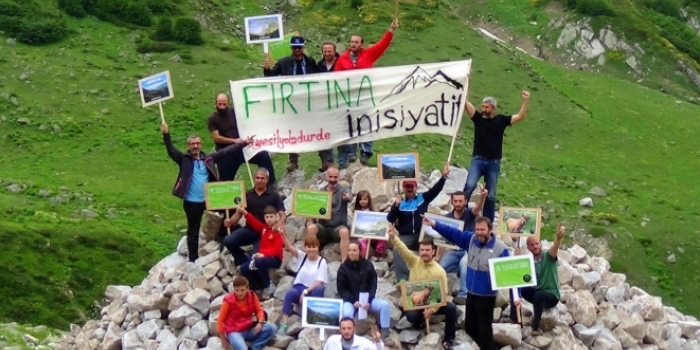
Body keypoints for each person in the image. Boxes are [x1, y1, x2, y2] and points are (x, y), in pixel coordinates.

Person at [161, 122, 252, 262]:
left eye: (198, 143)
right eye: (192, 144)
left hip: (209, 199)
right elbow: (171, 150)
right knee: (193, 231)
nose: (195, 146)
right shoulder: (184, 159)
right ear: (188, 146)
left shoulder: (208, 158)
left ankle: (223, 235)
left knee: (227, 211)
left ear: (201, 145)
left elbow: (225, 152)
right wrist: (166, 134)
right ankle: (193, 259)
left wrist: (244, 143)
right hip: (191, 202)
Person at [422, 215, 509, 350]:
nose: (479, 233)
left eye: (482, 230)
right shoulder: (471, 239)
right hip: (471, 294)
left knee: (485, 333)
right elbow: (452, 233)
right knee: (469, 328)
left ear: (490, 229)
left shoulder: (501, 249)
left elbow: (509, 275)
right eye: (477, 229)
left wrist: (517, 297)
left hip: (486, 297)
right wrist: (434, 224)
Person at [334, 19, 399, 167]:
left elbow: (382, 45)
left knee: (366, 123)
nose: (353, 44)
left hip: (365, 97)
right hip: (349, 98)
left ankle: (365, 152)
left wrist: (391, 30)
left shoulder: (368, 54)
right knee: (350, 123)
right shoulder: (342, 58)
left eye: (356, 42)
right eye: (351, 42)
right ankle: (351, 152)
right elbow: (336, 76)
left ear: (361, 44)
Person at [462, 90, 531, 222]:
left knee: (491, 194)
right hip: (478, 160)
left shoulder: (501, 120)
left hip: (493, 163)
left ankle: (487, 222)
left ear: (493, 108)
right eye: (482, 106)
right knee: (469, 185)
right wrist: (468, 83)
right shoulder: (478, 119)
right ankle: (461, 214)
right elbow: (465, 103)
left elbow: (520, 116)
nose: (483, 109)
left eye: (486, 107)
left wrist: (525, 101)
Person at [388, 226, 456, 349]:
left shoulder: (440, 271)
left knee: (451, 309)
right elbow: (403, 250)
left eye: (427, 250)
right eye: (422, 250)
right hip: (416, 301)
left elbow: (444, 294)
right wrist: (393, 237)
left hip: (435, 302)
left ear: (433, 251)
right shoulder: (414, 261)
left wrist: (432, 310)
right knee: (412, 316)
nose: (424, 252)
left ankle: (449, 338)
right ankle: (419, 324)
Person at [263, 35, 320, 172]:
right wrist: (266, 69)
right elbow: (271, 76)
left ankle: (325, 159)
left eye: (299, 47)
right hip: (291, 103)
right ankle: (293, 160)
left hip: (309, 102)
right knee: (292, 130)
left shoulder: (311, 62)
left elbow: (321, 78)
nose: (297, 50)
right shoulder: (283, 62)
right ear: (291, 48)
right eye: (294, 47)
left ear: (303, 48)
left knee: (319, 127)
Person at [386, 163, 449, 282]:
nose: (409, 189)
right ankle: (403, 278)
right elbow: (390, 219)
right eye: (407, 187)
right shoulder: (400, 202)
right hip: (406, 236)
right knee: (396, 249)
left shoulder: (423, 198)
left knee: (441, 240)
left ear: (416, 188)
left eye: (412, 187)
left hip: (422, 235)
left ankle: (433, 272)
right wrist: (396, 205)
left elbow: (435, 190)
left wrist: (443, 177)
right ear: (404, 188)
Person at [207, 93, 276, 184]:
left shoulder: (234, 112)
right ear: (215, 103)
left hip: (242, 149)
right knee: (225, 182)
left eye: (224, 104)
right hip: (226, 152)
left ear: (228, 103)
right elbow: (217, 138)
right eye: (220, 104)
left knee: (263, 155)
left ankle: (271, 184)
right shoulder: (212, 119)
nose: (222, 107)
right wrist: (234, 141)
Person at [223, 168, 286, 267]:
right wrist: (229, 222)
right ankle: (243, 260)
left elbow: (283, 214)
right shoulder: (247, 194)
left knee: (255, 256)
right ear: (254, 178)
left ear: (267, 180)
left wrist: (279, 224)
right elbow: (239, 214)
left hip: (265, 233)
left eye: (262, 178)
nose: (259, 180)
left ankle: (249, 264)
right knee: (228, 240)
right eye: (257, 178)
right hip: (249, 230)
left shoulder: (274, 195)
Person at [337, 241, 395, 346]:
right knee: (347, 314)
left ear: (360, 251)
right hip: (351, 301)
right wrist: (353, 300)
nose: (351, 253)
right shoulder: (343, 268)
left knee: (384, 305)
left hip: (366, 300)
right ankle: (348, 339)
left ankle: (385, 336)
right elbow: (341, 289)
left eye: (354, 250)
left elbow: (373, 284)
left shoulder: (367, 265)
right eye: (349, 250)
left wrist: (368, 300)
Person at [509, 224, 564, 335]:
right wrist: (518, 259)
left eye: (537, 244)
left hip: (551, 296)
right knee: (516, 287)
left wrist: (558, 238)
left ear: (540, 244)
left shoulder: (548, 256)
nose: (535, 246)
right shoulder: (528, 261)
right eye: (532, 245)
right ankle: (515, 317)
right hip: (536, 293)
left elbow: (555, 248)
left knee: (539, 295)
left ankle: (536, 326)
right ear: (528, 247)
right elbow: (520, 277)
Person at [438, 185, 487, 304]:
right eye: (455, 201)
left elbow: (478, 208)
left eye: (460, 201)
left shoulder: (470, 213)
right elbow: (441, 239)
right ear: (452, 202)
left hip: (469, 250)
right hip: (453, 250)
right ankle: (438, 295)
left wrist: (483, 197)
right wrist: (437, 257)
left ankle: (464, 294)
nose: (458, 203)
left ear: (465, 202)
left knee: (465, 263)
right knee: (440, 268)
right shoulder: (447, 218)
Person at [227, 205, 284, 297]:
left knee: (259, 261)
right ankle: (254, 288)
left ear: (276, 216)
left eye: (271, 217)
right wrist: (245, 213)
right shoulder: (264, 228)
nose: (269, 219)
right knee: (244, 268)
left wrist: (263, 255)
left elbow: (277, 249)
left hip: (275, 259)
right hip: (262, 257)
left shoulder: (279, 230)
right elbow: (255, 223)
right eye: (267, 217)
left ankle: (268, 285)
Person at [278, 236, 328, 335]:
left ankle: (312, 320)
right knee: (290, 293)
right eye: (308, 247)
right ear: (305, 248)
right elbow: (290, 247)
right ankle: (284, 324)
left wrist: (306, 291)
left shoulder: (322, 262)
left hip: (312, 290)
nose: (311, 249)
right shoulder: (302, 256)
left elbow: (319, 281)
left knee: (319, 289)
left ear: (318, 247)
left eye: (313, 246)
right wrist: (283, 235)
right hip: (299, 288)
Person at [305, 166, 351, 262]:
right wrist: (310, 221)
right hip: (323, 227)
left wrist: (346, 197)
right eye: (330, 177)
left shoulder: (344, 189)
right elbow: (313, 209)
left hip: (337, 228)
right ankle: (315, 259)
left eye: (335, 177)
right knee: (311, 228)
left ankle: (345, 262)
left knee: (344, 232)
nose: (333, 179)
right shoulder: (321, 192)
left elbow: (349, 196)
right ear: (326, 177)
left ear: (339, 177)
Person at [217, 276, 276, 350]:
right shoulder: (228, 301)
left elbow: (259, 310)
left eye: (242, 290)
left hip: (248, 329)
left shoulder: (252, 295)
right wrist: (223, 339)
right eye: (237, 290)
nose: (239, 293)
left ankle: (255, 347)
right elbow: (220, 321)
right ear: (234, 289)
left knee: (271, 328)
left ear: (247, 288)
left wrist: (260, 323)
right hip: (234, 332)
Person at [315, 41, 340, 171]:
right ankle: (327, 161)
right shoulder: (319, 65)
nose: (327, 53)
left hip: (339, 102)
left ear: (334, 51)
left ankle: (343, 160)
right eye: (325, 51)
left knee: (340, 130)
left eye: (329, 51)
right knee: (323, 131)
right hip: (323, 104)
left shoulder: (341, 62)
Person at [355, 190, 386, 258]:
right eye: (360, 199)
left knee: (383, 237)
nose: (363, 201)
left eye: (365, 199)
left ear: (369, 200)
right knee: (363, 246)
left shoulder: (372, 212)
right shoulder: (357, 212)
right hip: (362, 235)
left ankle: (379, 250)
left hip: (372, 233)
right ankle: (363, 257)